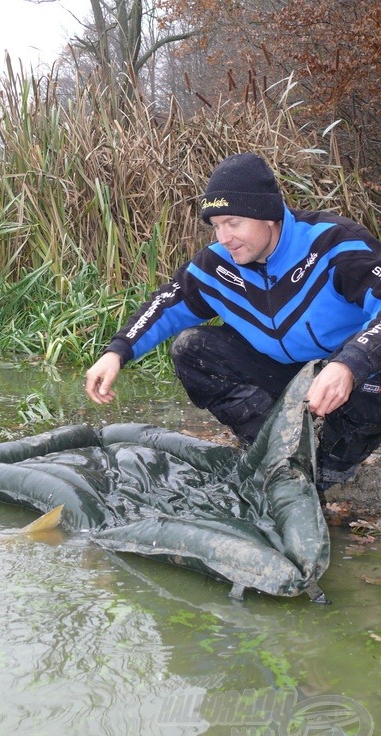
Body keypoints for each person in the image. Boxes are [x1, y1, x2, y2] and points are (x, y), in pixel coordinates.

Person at [84, 152, 381, 490]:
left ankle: (335, 463)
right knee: (192, 348)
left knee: (326, 473)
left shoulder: (334, 243)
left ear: (268, 216)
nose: (223, 237)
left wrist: (348, 364)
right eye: (216, 226)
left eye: (233, 223)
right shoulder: (217, 265)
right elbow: (165, 305)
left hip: (350, 375)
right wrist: (117, 352)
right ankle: (268, 444)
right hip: (281, 372)